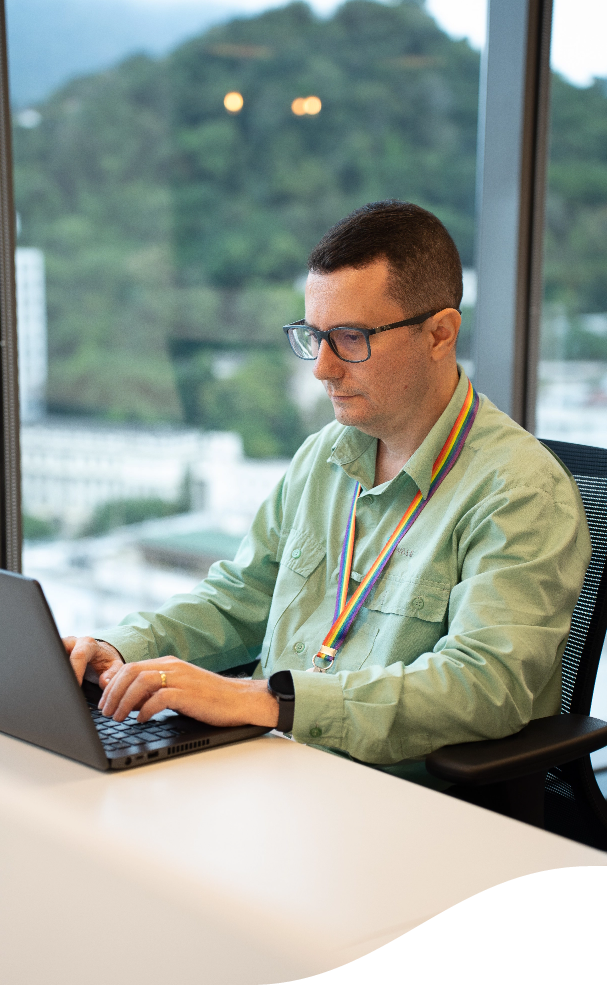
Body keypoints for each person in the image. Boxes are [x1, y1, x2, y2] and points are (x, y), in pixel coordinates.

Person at [65, 200, 591, 788]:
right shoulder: (325, 455)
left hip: (398, 799)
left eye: (350, 337)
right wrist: (121, 651)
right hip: (270, 767)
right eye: (314, 336)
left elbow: (483, 687)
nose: (322, 369)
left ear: (440, 334)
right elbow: (241, 597)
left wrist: (269, 702)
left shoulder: (521, 491)